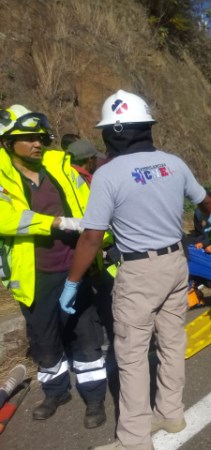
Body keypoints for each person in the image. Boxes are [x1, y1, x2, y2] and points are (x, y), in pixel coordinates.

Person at [58, 89, 211, 450]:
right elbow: (204, 202)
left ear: (115, 132)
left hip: (139, 272)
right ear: (147, 128)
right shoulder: (174, 163)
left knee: (131, 356)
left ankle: (135, 439)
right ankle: (172, 413)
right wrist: (202, 229)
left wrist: (72, 281)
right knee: (173, 342)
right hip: (177, 262)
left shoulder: (109, 175)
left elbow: (92, 237)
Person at [0, 105, 107, 428]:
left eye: (40, 137)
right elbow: (5, 218)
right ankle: (56, 391)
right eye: (28, 138)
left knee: (85, 335)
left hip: (75, 267)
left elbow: (89, 205)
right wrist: (55, 222)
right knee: (44, 340)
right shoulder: (2, 175)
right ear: (7, 141)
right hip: (34, 276)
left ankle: (94, 399)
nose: (37, 143)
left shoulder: (60, 167)